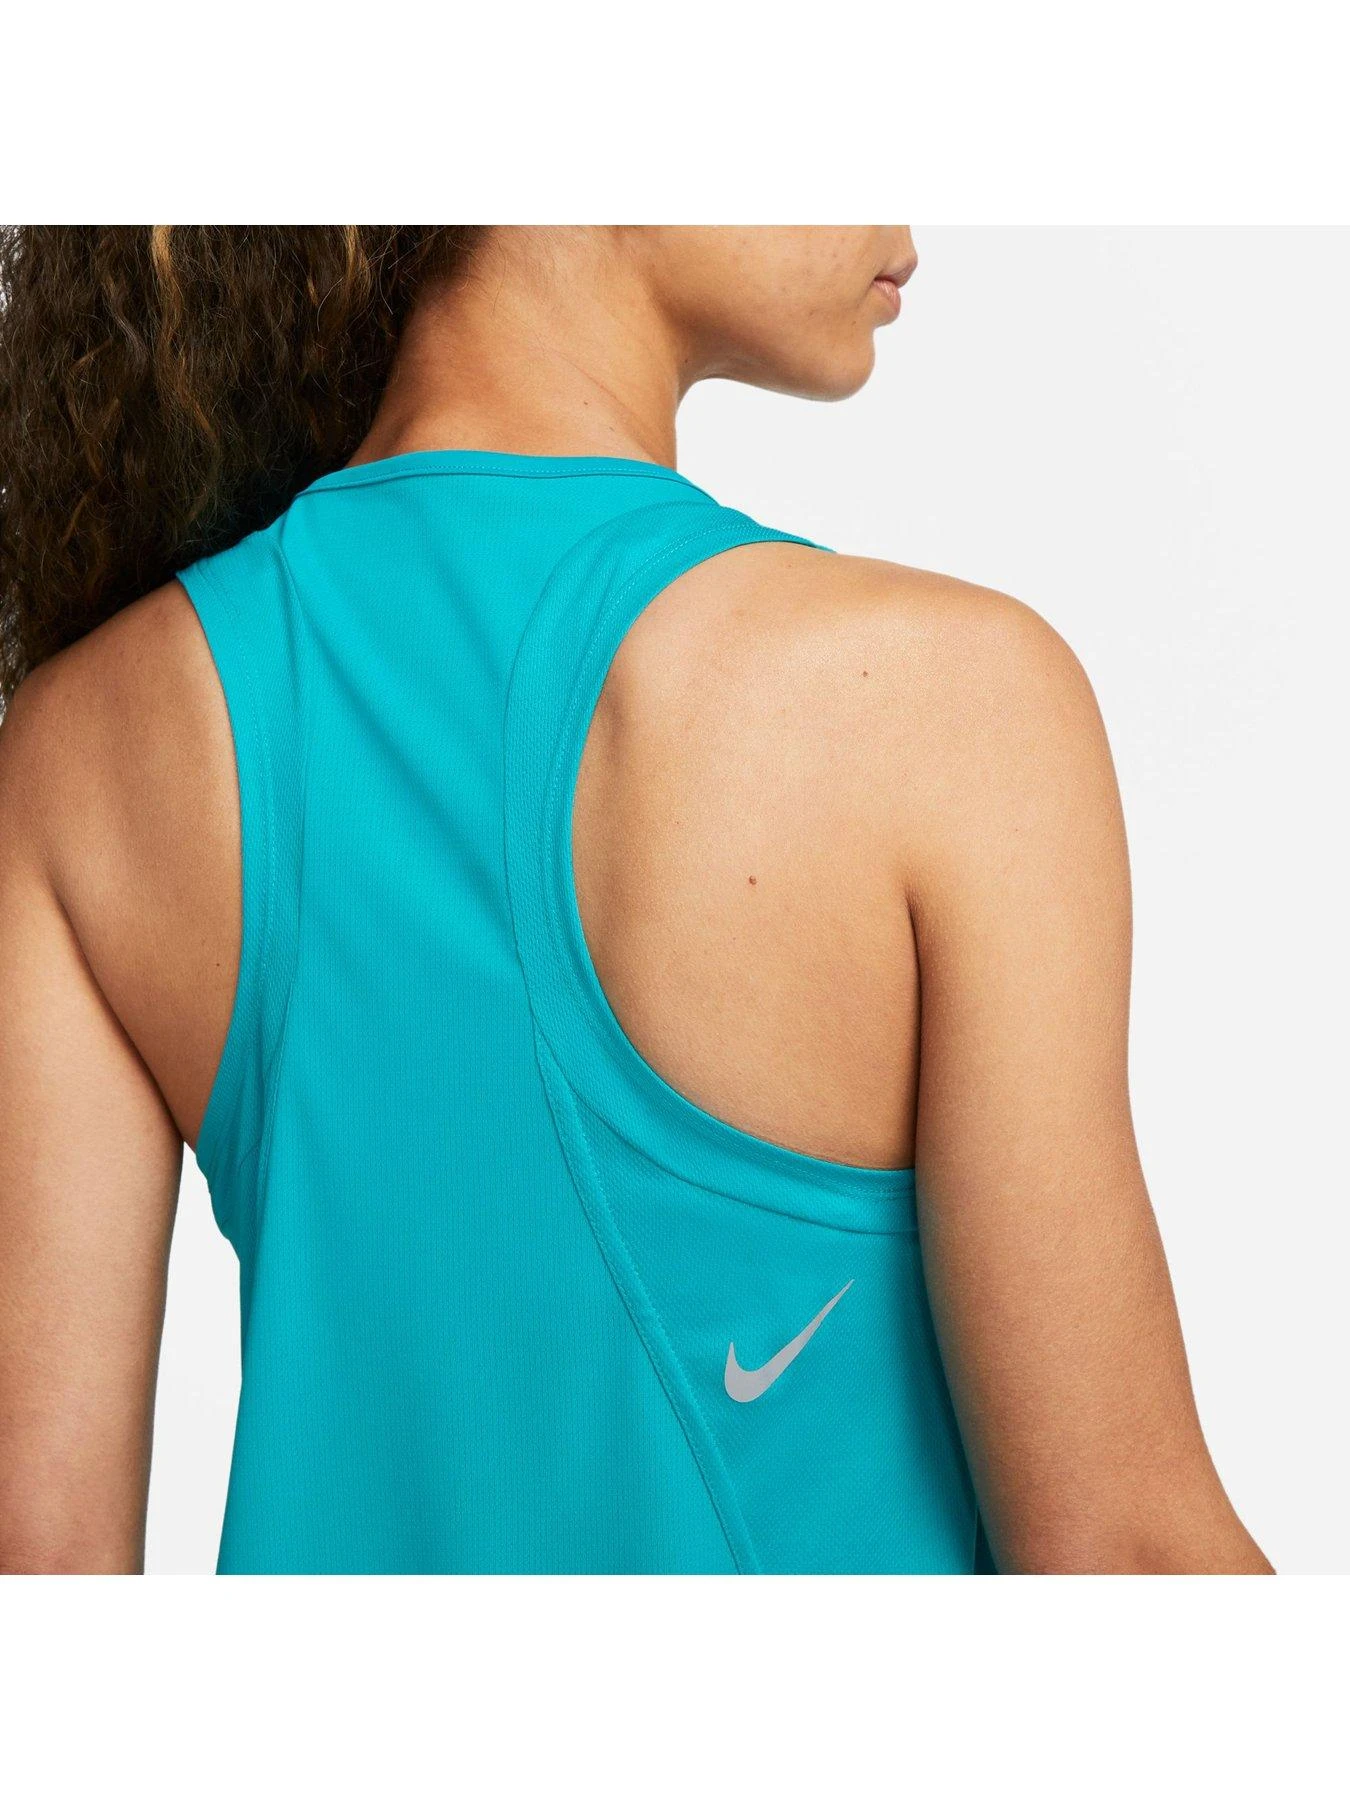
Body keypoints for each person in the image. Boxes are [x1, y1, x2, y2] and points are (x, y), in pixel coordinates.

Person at [0, 226, 1270, 1574]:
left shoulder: (84, 751)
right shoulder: (942, 705)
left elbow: (39, 1569)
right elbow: (1124, 1557)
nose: (903, 220)